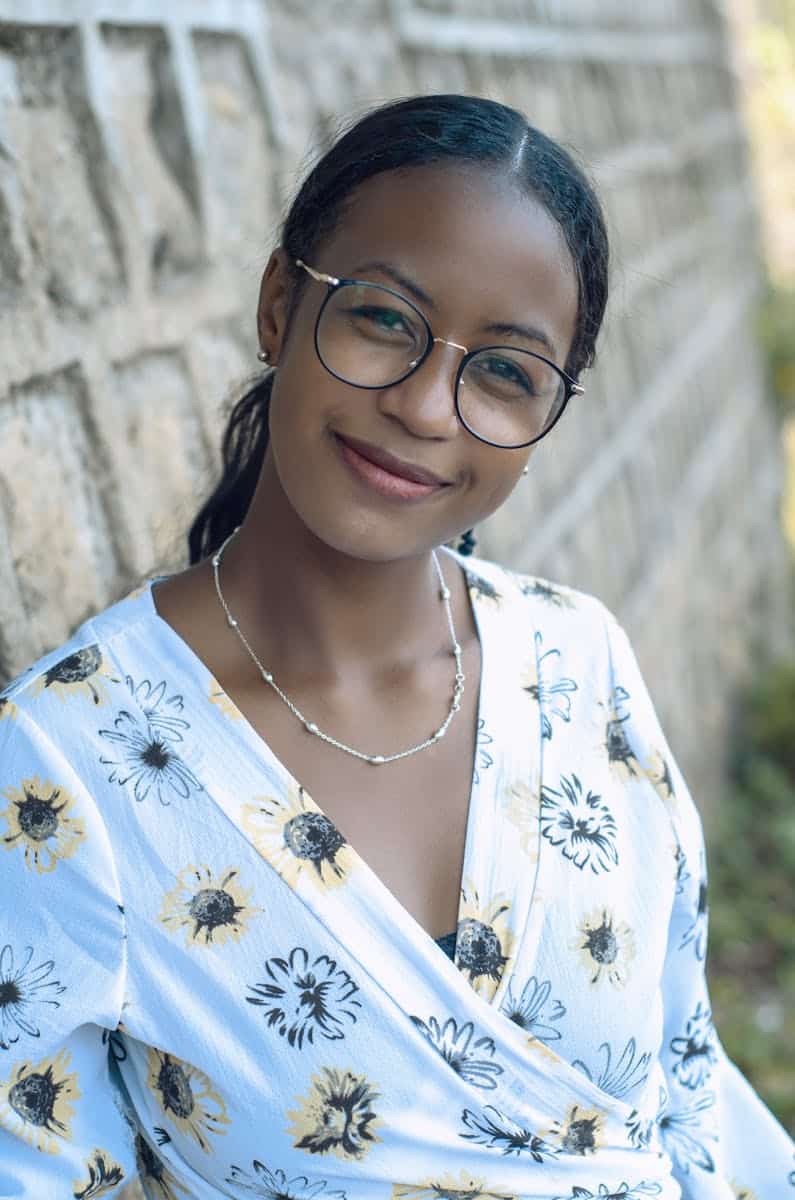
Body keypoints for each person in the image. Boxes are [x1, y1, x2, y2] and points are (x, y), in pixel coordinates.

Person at [0, 93, 790, 1200]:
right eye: (381, 318)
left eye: (506, 373)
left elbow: (689, 1083)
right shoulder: (69, 770)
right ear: (281, 305)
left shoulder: (581, 661)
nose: (426, 405)